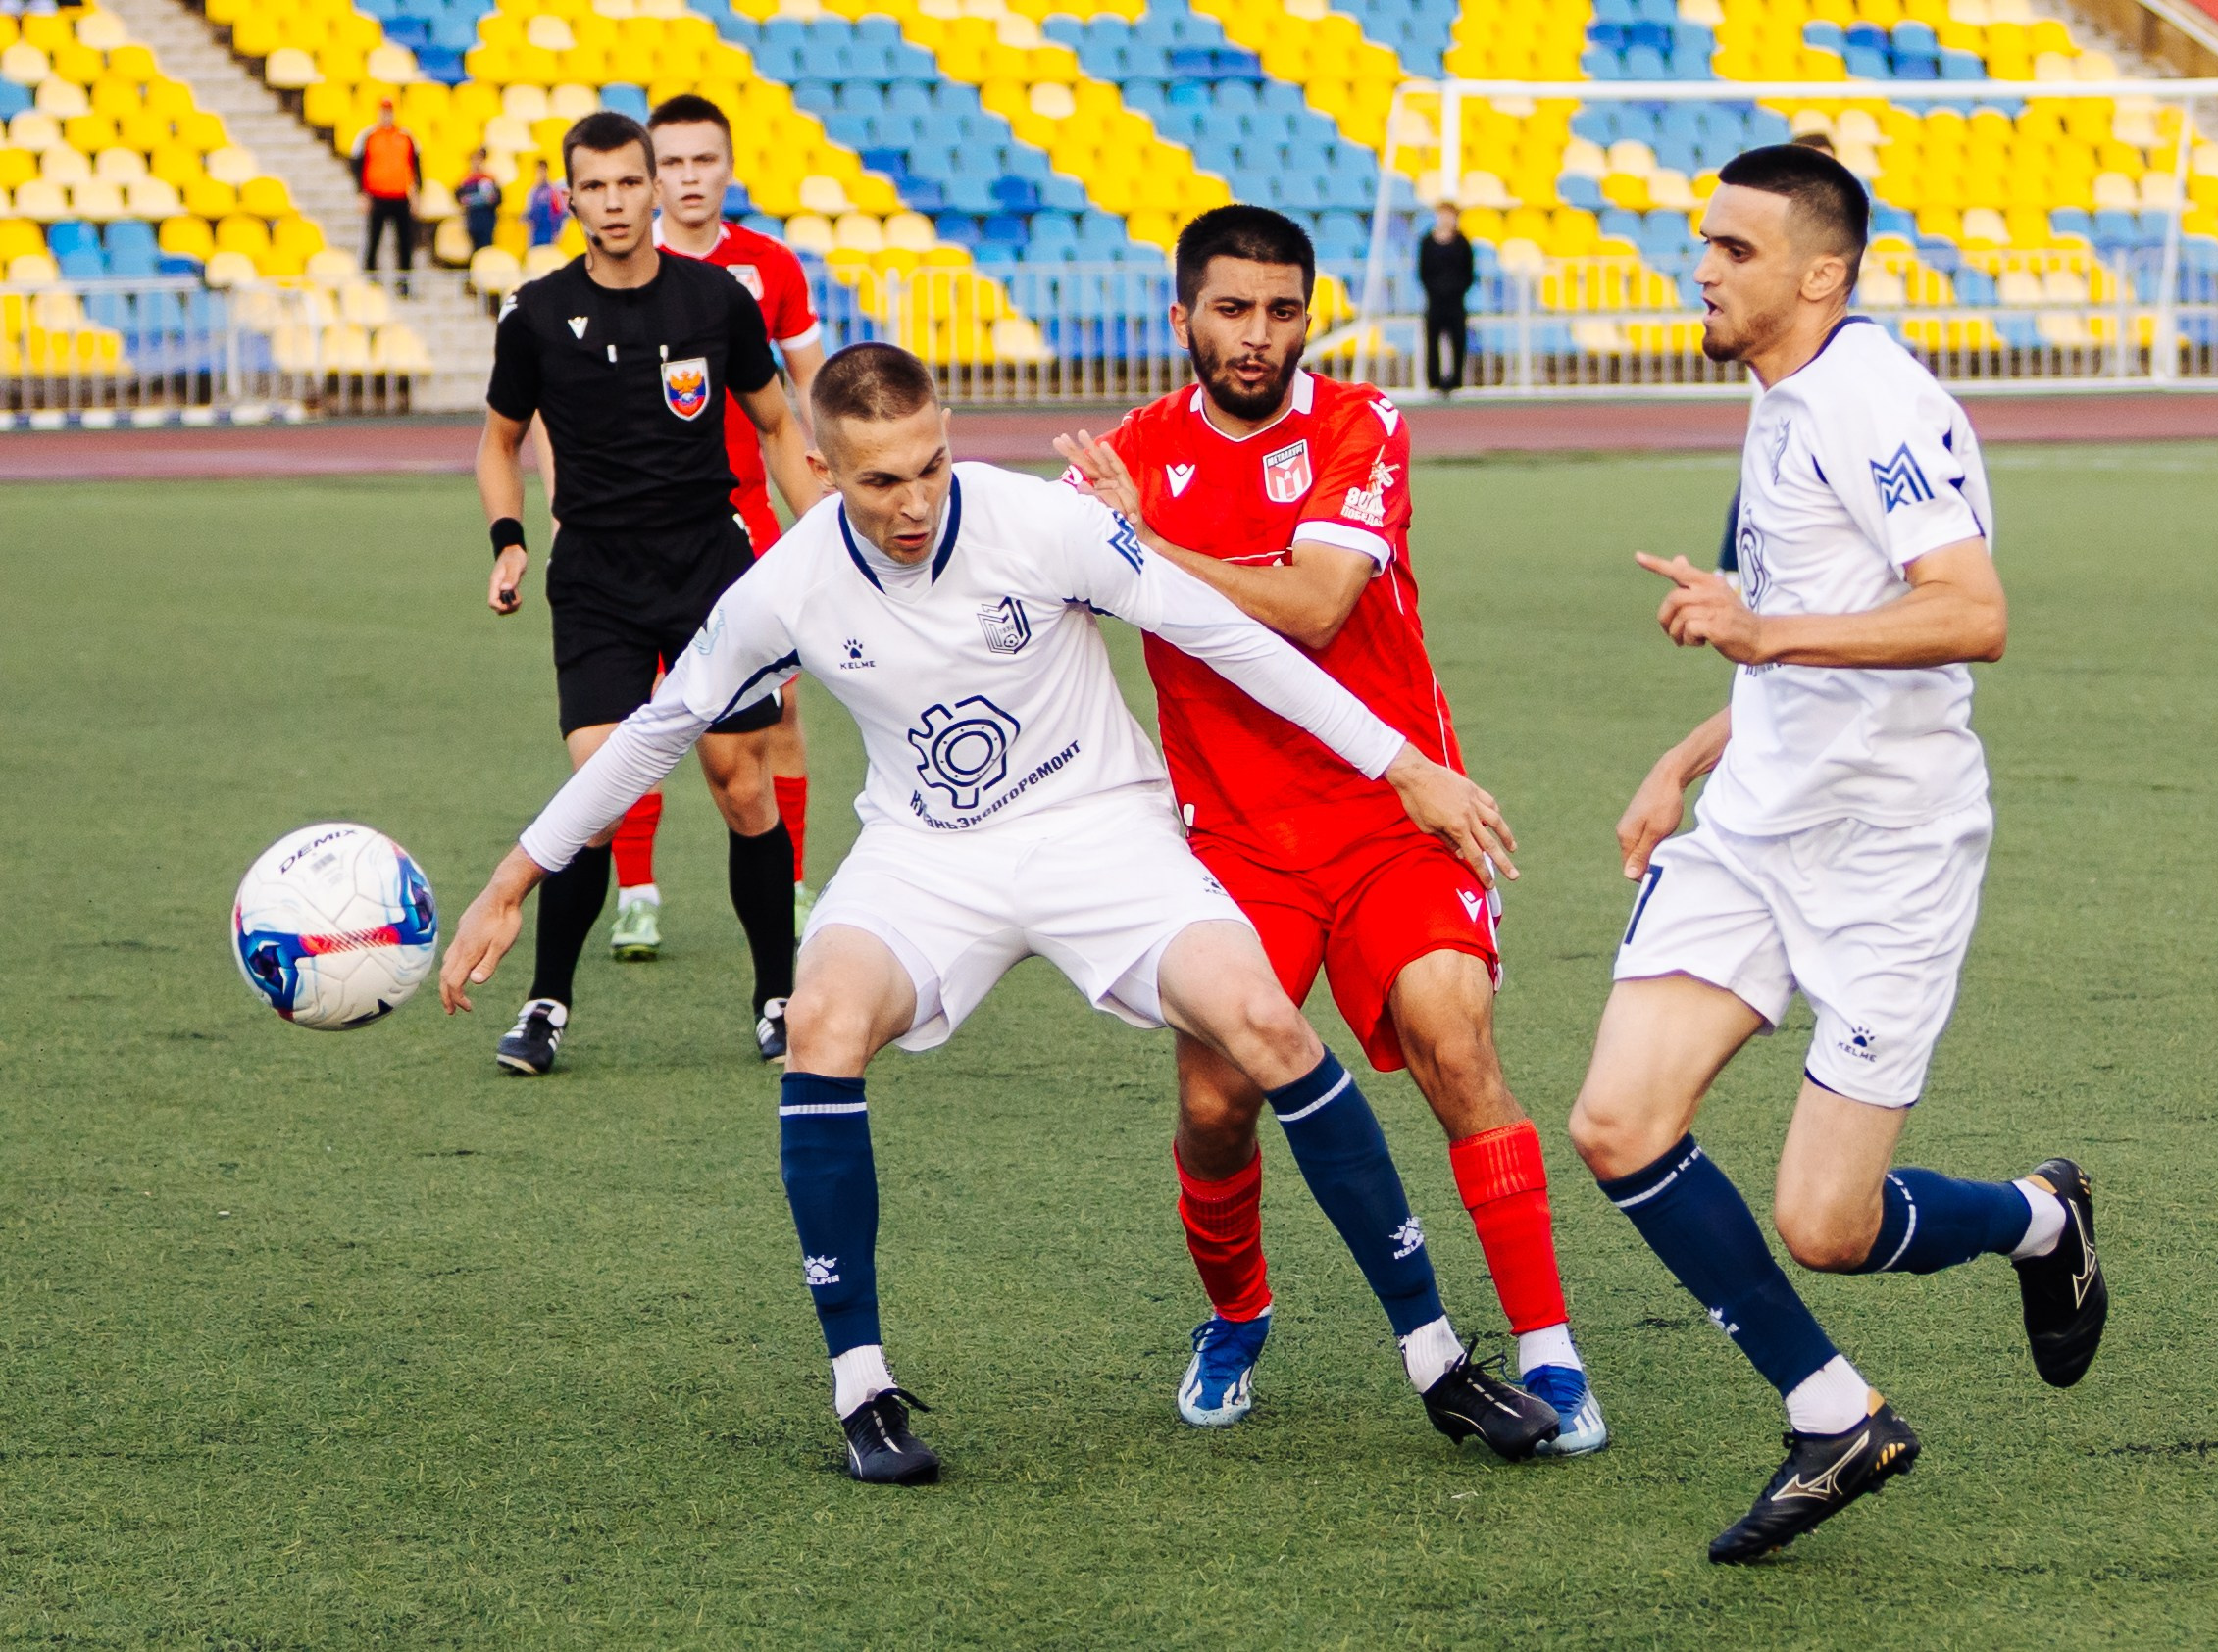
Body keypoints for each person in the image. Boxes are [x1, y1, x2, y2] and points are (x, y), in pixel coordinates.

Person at [436, 342, 1562, 1484]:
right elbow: (657, 726)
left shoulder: (1044, 525)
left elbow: (1220, 633)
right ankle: (862, 1390)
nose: (916, 500)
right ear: (819, 468)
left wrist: (1399, 761)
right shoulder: (782, 585)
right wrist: (511, 878)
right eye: (879, 482)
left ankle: (1435, 1360)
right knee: (821, 1023)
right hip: (924, 857)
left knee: (1265, 1025)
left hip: (1097, 829)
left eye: (931, 465)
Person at [1563, 145, 2106, 1564]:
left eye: (1734, 249)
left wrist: (1760, 631)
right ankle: (1833, 1413)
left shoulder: (1874, 399)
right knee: (1620, 1122)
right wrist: (1685, 760)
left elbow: (1968, 612)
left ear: (1822, 271)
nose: (1704, 268)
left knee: (1826, 1221)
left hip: (1888, 858)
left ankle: (2041, 1220)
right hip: (1755, 836)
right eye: (1703, 243)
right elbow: (1797, 628)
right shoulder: (1780, 398)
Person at [1053, 205, 1605, 1456]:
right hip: (1229, 843)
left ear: (1312, 312)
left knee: (1452, 1034)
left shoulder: (1363, 425)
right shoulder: (1127, 451)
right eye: (1232, 310)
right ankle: (1236, 1314)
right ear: (1181, 312)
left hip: (1389, 812)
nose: (1257, 337)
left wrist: (1140, 539)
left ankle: (1551, 1351)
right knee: (1211, 1101)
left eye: (1282, 311)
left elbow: (1311, 605)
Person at [473, 111, 821, 1075]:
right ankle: (544, 1005)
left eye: (633, 183)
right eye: (597, 187)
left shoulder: (714, 301)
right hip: (593, 577)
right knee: (594, 789)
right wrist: (507, 540)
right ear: (570, 197)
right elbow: (498, 442)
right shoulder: (536, 315)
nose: (617, 202)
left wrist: (829, 536)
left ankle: (777, 996)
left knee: (740, 783)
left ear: (654, 188)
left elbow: (777, 425)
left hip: (709, 570)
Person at [596, 94, 832, 967]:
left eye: (707, 162)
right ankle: (637, 895)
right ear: (653, 177)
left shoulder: (768, 267)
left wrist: (835, 470)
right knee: (640, 706)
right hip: (647, 524)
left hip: (754, 517)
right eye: (676, 164)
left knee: (779, 706)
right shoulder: (621, 270)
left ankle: (794, 878)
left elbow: (811, 381)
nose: (691, 179)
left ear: (729, 170)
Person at [350, 98, 420, 288]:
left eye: (389, 111)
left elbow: (415, 167)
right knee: (373, 239)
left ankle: (404, 283)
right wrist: (361, 194)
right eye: (384, 111)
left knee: (404, 242)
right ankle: (371, 278)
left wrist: (415, 194)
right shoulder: (368, 136)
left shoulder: (406, 136)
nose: (387, 115)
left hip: (400, 196)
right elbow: (357, 166)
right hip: (377, 196)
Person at [1416, 204, 1474, 397]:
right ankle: (1434, 382)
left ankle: (1456, 381)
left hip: (1456, 301)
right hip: (1434, 301)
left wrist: (1456, 290)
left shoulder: (1462, 242)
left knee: (1458, 340)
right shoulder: (1427, 242)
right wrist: (1435, 290)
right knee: (1432, 342)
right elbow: (1422, 271)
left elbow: (1468, 272)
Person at [454, 148, 501, 258]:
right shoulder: (465, 180)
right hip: (472, 220)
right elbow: (458, 197)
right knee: (473, 252)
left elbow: (498, 199)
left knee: (487, 251)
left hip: (486, 220)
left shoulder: (489, 179)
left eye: (479, 160)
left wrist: (492, 199)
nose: (476, 163)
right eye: (474, 160)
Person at [525, 159, 566, 249]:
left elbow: (560, 214)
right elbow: (529, 216)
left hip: (550, 236)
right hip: (535, 237)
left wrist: (558, 234)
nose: (541, 174)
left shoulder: (553, 191)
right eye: (539, 171)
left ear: (547, 171)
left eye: (543, 170)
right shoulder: (533, 192)